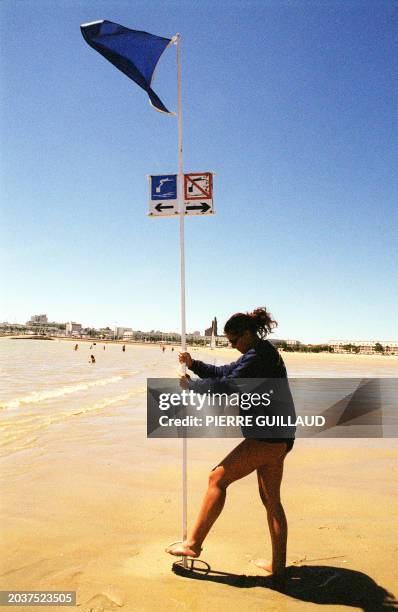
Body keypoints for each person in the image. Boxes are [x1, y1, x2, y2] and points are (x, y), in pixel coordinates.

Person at [165, 307, 295, 578]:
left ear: (247, 334)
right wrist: (194, 365)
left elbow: (228, 386)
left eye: (234, 340)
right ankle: (279, 568)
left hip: (267, 436)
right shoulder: (257, 352)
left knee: (217, 479)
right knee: (271, 501)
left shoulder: (258, 356)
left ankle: (193, 544)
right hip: (279, 436)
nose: (232, 346)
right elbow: (223, 371)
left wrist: (191, 387)